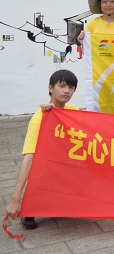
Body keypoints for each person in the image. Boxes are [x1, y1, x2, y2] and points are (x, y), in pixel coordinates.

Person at [5, 70, 79, 230]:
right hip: (46, 171)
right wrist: (15, 198)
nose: (67, 91)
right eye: (62, 86)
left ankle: (62, 199)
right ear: (50, 88)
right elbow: (29, 157)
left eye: (71, 87)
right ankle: (30, 206)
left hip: (65, 168)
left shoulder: (73, 111)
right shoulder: (39, 119)